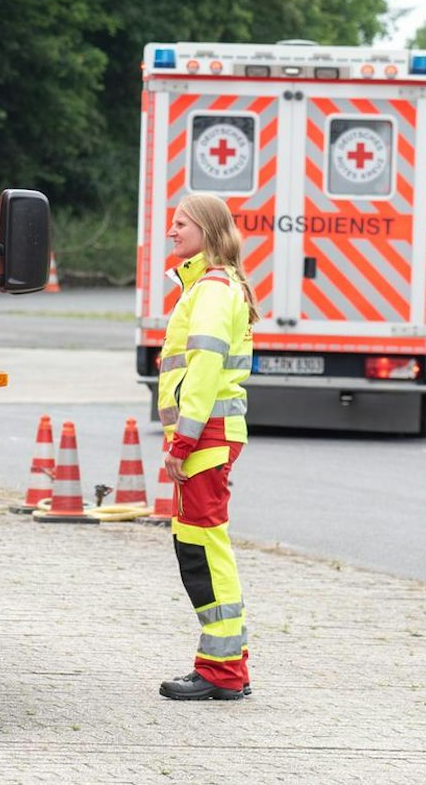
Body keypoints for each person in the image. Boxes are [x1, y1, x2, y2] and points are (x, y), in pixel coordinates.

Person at [155, 193, 259, 701]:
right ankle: (227, 666)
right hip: (207, 437)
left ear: (207, 230)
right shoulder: (208, 286)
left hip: (205, 439)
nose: (172, 231)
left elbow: (203, 372)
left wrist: (182, 441)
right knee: (200, 547)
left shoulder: (213, 290)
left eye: (182, 223)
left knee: (204, 549)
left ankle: (221, 672)